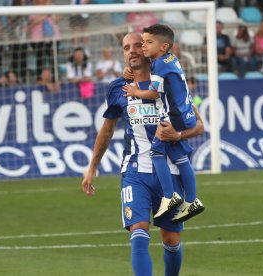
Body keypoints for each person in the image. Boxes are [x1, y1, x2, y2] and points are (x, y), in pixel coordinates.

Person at [82, 31, 204, 276]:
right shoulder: (118, 88)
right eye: (127, 47)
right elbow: (107, 129)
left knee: (170, 239)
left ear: (149, 49)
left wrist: (178, 136)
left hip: (169, 172)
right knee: (138, 233)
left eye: (138, 45)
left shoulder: (167, 80)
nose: (133, 50)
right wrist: (92, 166)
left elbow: (199, 125)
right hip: (135, 171)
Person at [123, 24, 204, 222]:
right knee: (179, 156)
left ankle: (170, 196)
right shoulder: (171, 59)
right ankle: (192, 200)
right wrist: (130, 70)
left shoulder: (159, 65)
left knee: (156, 152)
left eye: (147, 43)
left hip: (173, 115)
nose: (143, 47)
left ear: (164, 46)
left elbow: (153, 93)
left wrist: (135, 91)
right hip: (185, 113)